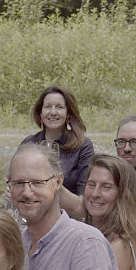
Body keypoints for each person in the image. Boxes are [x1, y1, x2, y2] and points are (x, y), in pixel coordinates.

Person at [19, 86, 93, 217]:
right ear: (40, 113)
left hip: (69, 220)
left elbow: (82, 207)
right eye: (48, 107)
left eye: (59, 107)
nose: (53, 112)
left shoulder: (83, 146)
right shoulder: (28, 143)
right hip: (33, 216)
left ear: (68, 114)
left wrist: (51, 181)